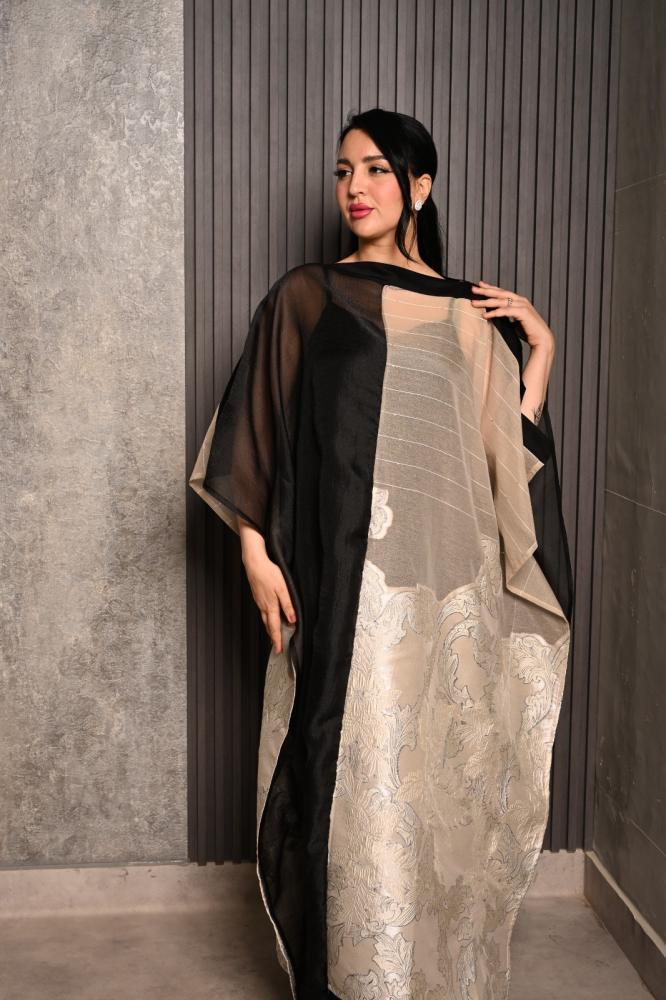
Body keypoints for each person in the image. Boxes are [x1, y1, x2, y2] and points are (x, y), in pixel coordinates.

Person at [189, 107, 574, 1000]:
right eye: (342, 171)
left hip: (437, 597)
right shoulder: (310, 295)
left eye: (373, 170)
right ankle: (355, 979)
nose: (354, 188)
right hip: (341, 588)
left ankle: (420, 975)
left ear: (419, 187)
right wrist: (253, 553)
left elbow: (498, 464)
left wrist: (541, 356)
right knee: (346, 779)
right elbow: (256, 426)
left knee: (429, 789)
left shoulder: (464, 313)